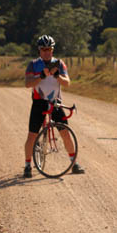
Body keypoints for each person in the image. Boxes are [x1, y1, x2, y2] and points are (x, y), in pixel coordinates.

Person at [23, 35, 85, 178]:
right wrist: (41, 77)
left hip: (55, 102)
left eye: (49, 49)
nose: (47, 52)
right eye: (44, 49)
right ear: (39, 50)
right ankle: (27, 166)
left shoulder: (59, 63)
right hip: (39, 102)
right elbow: (28, 84)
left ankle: (73, 163)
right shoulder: (33, 64)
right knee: (32, 135)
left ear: (52, 49)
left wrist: (57, 76)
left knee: (65, 133)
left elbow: (67, 83)